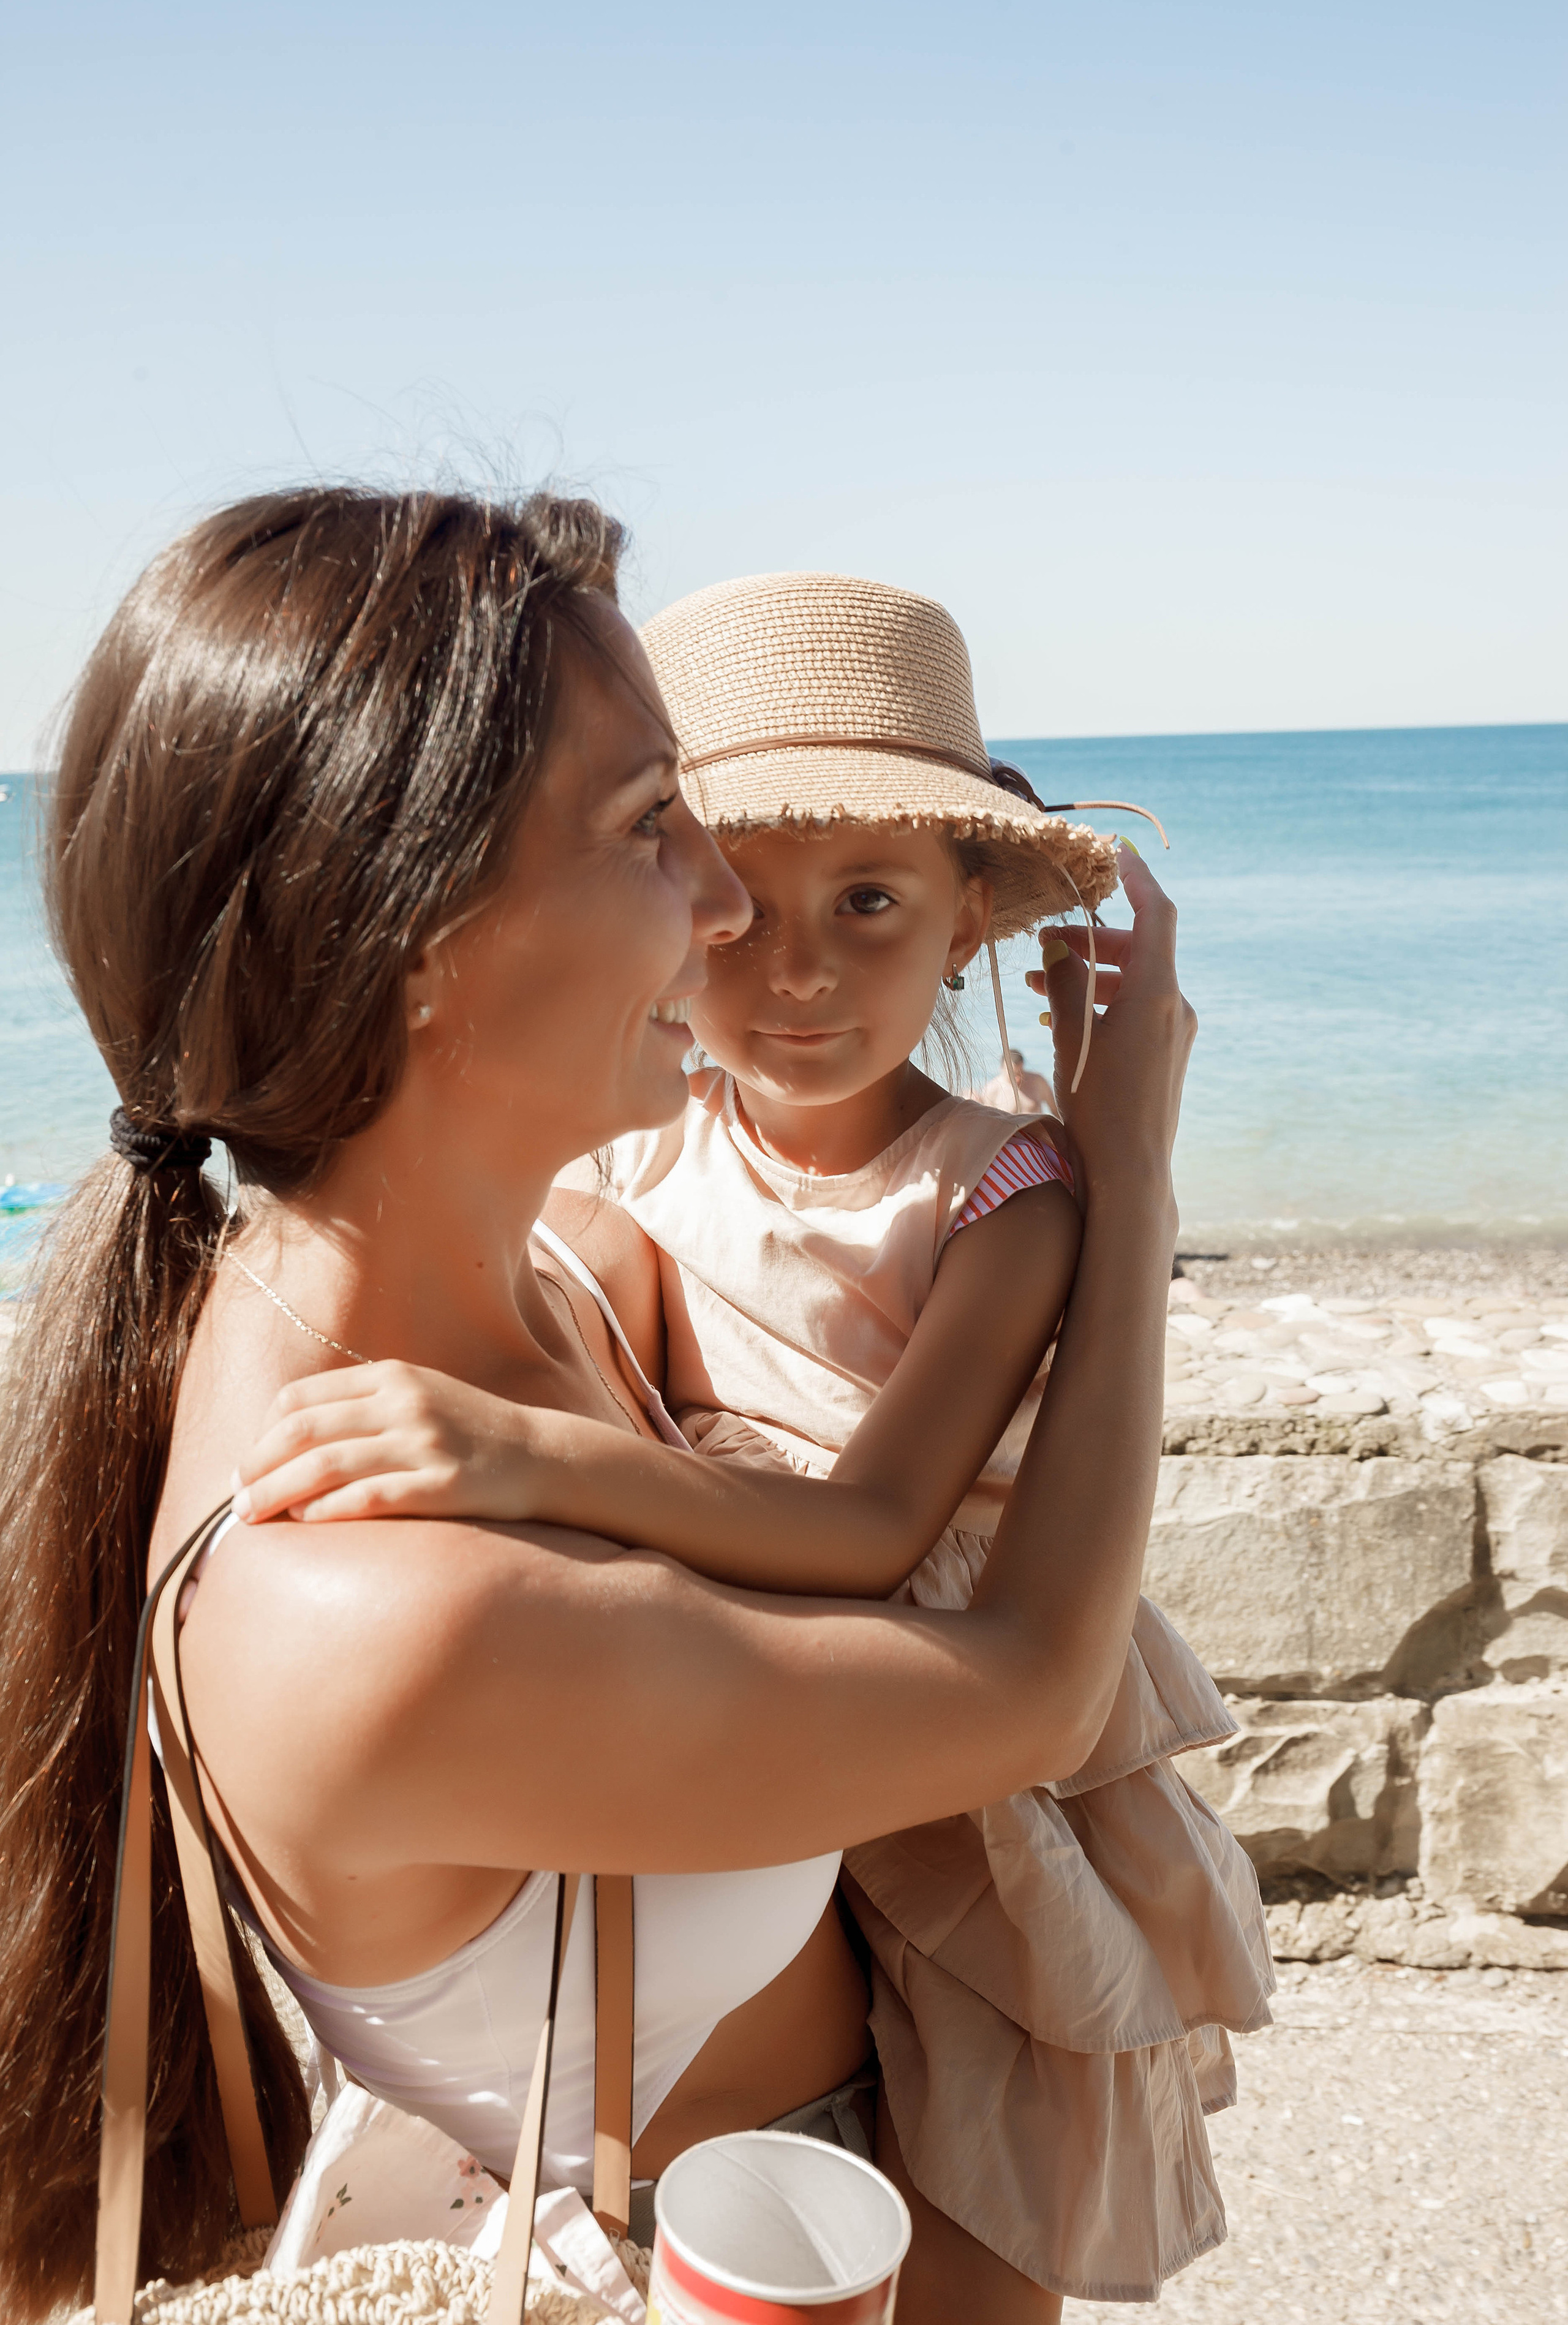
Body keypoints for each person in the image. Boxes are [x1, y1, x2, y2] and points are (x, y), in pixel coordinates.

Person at [0, 494, 1193, 2325]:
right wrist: (1127, 1176)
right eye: (660, 831)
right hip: (709, 2245)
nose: (726, 910)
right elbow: (1028, 1683)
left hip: (838, 2161)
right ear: (420, 935)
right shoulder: (381, 1604)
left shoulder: (547, 1283)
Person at [973, 1043, 1058, 1114]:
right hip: (1009, 1133)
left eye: (1020, 1073)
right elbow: (988, 1123)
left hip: (1036, 1132)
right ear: (1002, 1069)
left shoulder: (1038, 1081)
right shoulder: (991, 1090)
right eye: (1012, 1074)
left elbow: (1055, 1111)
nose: (1017, 1078)